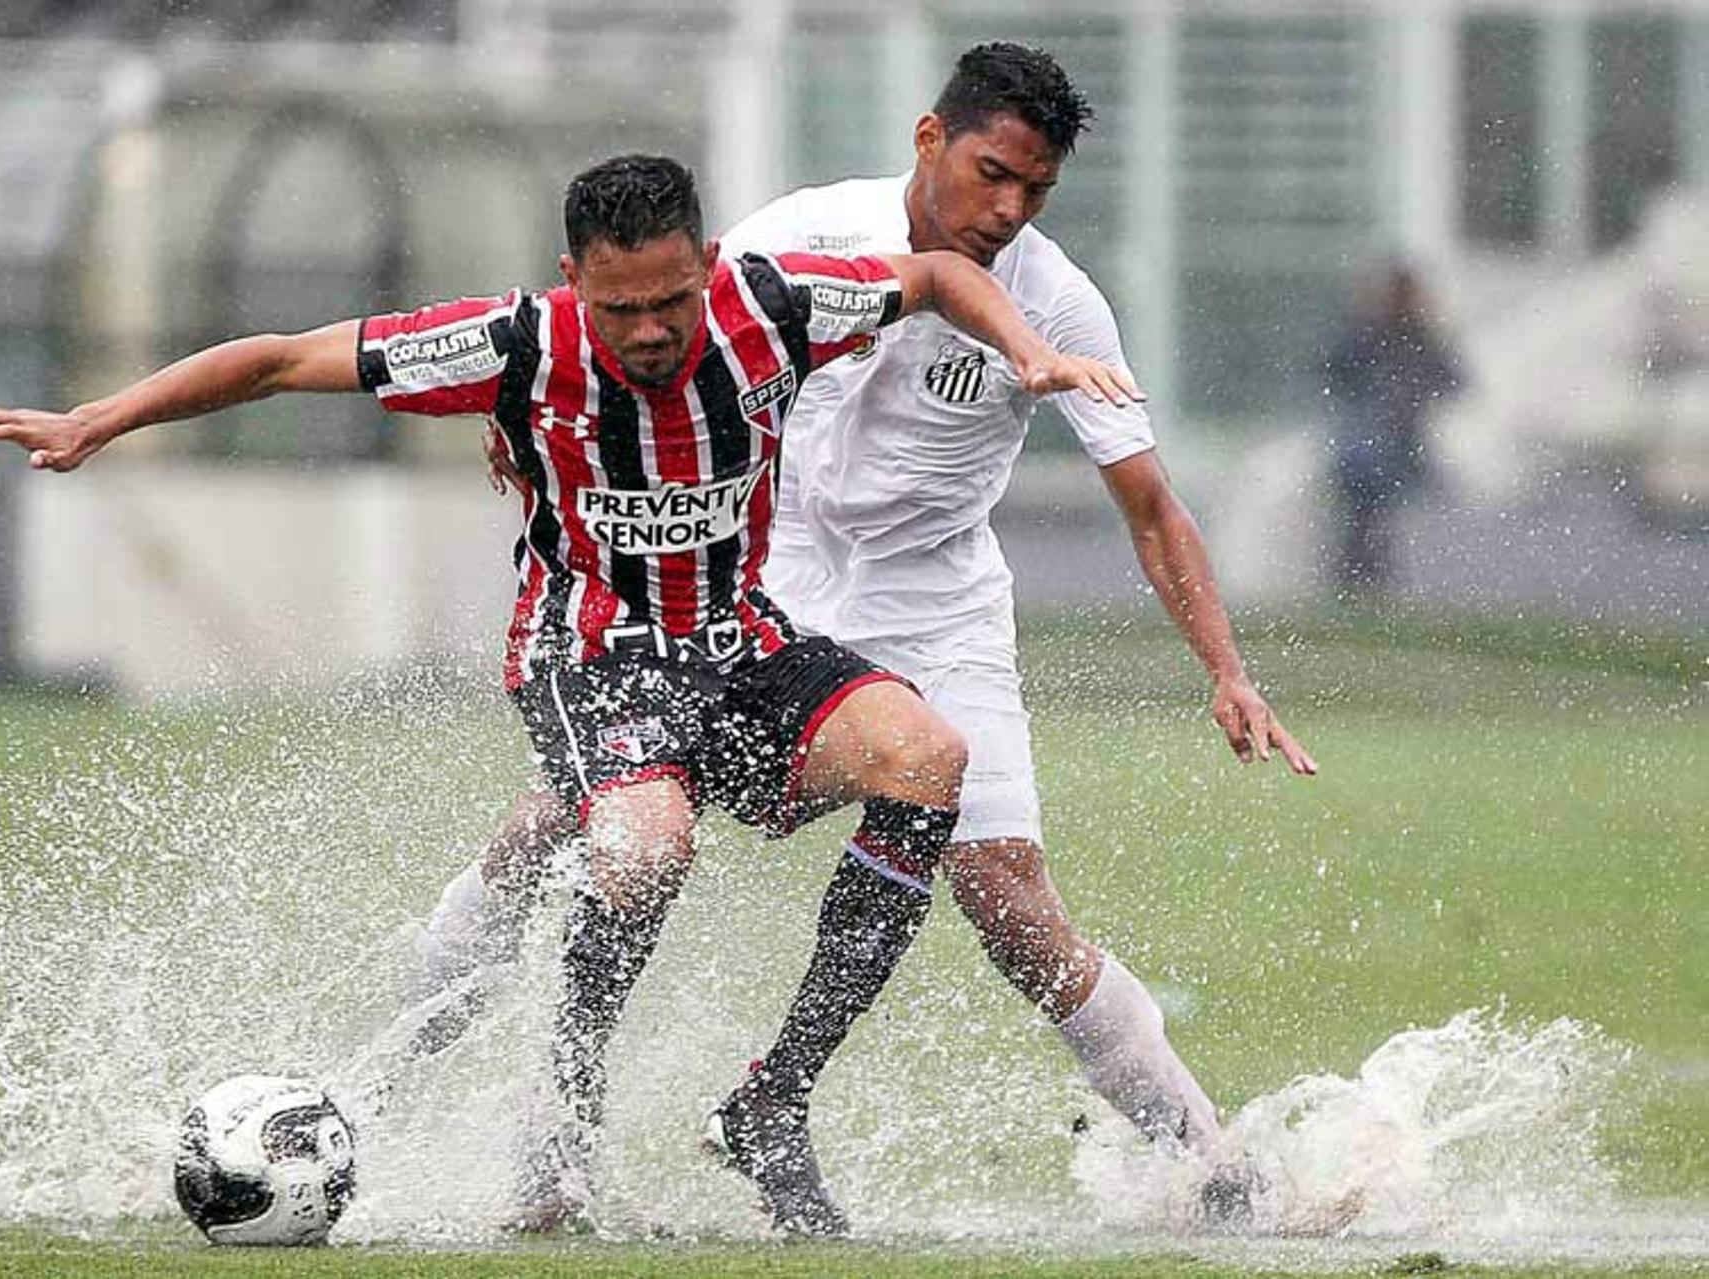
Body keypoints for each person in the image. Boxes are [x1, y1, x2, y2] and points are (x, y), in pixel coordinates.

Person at [0, 152, 1142, 1233]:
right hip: (589, 657)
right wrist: (103, 416)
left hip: (742, 646)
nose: (650, 333)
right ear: (575, 280)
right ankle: (561, 1115)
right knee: (646, 845)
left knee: (929, 759)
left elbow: (936, 272)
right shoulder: (513, 341)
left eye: (672, 302)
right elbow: (277, 360)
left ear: (711, 266)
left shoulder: (776, 306)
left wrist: (1028, 353)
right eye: (619, 309)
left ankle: (773, 1099)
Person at [388, 44, 1316, 1236]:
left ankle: (1209, 1160)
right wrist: (529, 425)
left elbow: (1152, 505)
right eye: (991, 174)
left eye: (1035, 190)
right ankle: (413, 1074)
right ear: (930, 138)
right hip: (756, 570)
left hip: (937, 598)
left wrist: (1227, 670)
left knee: (1010, 896)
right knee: (582, 820)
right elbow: (621, 316)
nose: (1008, 209)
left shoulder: (1058, 302)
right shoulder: (800, 236)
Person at [1323, 262, 1465, 596]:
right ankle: (1360, 571)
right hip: (1368, 443)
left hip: (1402, 442)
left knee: (1381, 512)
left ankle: (1368, 572)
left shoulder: (1419, 338)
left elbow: (1452, 380)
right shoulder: (1367, 335)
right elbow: (1334, 372)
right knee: (1366, 507)